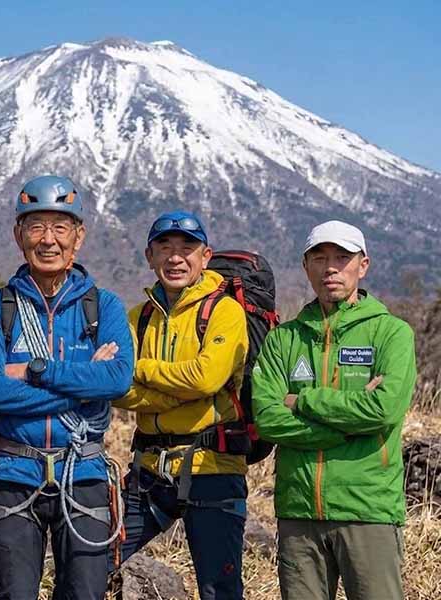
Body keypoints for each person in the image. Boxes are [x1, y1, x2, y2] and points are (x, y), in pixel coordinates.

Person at [0, 175, 133, 600]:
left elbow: (117, 379)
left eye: (60, 227)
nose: (48, 240)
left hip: (85, 473)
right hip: (13, 472)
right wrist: (84, 381)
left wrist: (33, 369)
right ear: (18, 234)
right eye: (36, 226)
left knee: (85, 593)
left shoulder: (104, 306)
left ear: (79, 236)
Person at [252, 220, 416, 600]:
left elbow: (383, 410)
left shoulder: (392, 334)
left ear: (363, 265)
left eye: (342, 257)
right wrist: (345, 428)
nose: (330, 268)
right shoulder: (282, 340)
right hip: (298, 512)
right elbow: (267, 418)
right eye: (319, 258)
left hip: (368, 509)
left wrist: (303, 401)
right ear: (305, 266)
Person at [112, 210, 249, 599]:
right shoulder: (137, 317)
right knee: (95, 561)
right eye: (164, 248)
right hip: (148, 470)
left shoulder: (225, 311)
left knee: (219, 589)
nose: (175, 257)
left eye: (187, 248)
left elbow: (206, 378)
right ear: (149, 256)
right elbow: (117, 387)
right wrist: (179, 391)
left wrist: (142, 369)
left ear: (205, 257)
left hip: (213, 468)